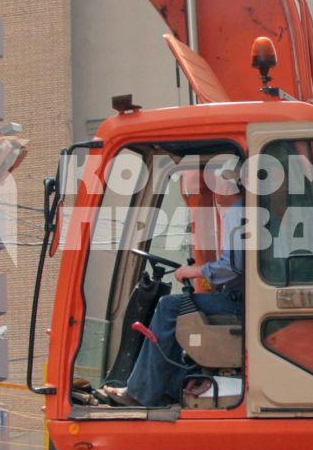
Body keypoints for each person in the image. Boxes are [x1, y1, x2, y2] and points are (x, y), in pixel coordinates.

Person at [103, 157, 247, 407]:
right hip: (246, 299)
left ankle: (141, 392)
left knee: (169, 307)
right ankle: (170, 388)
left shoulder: (238, 212)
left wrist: (193, 272)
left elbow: (232, 268)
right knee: (184, 309)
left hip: (242, 303)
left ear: (227, 185)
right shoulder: (250, 211)